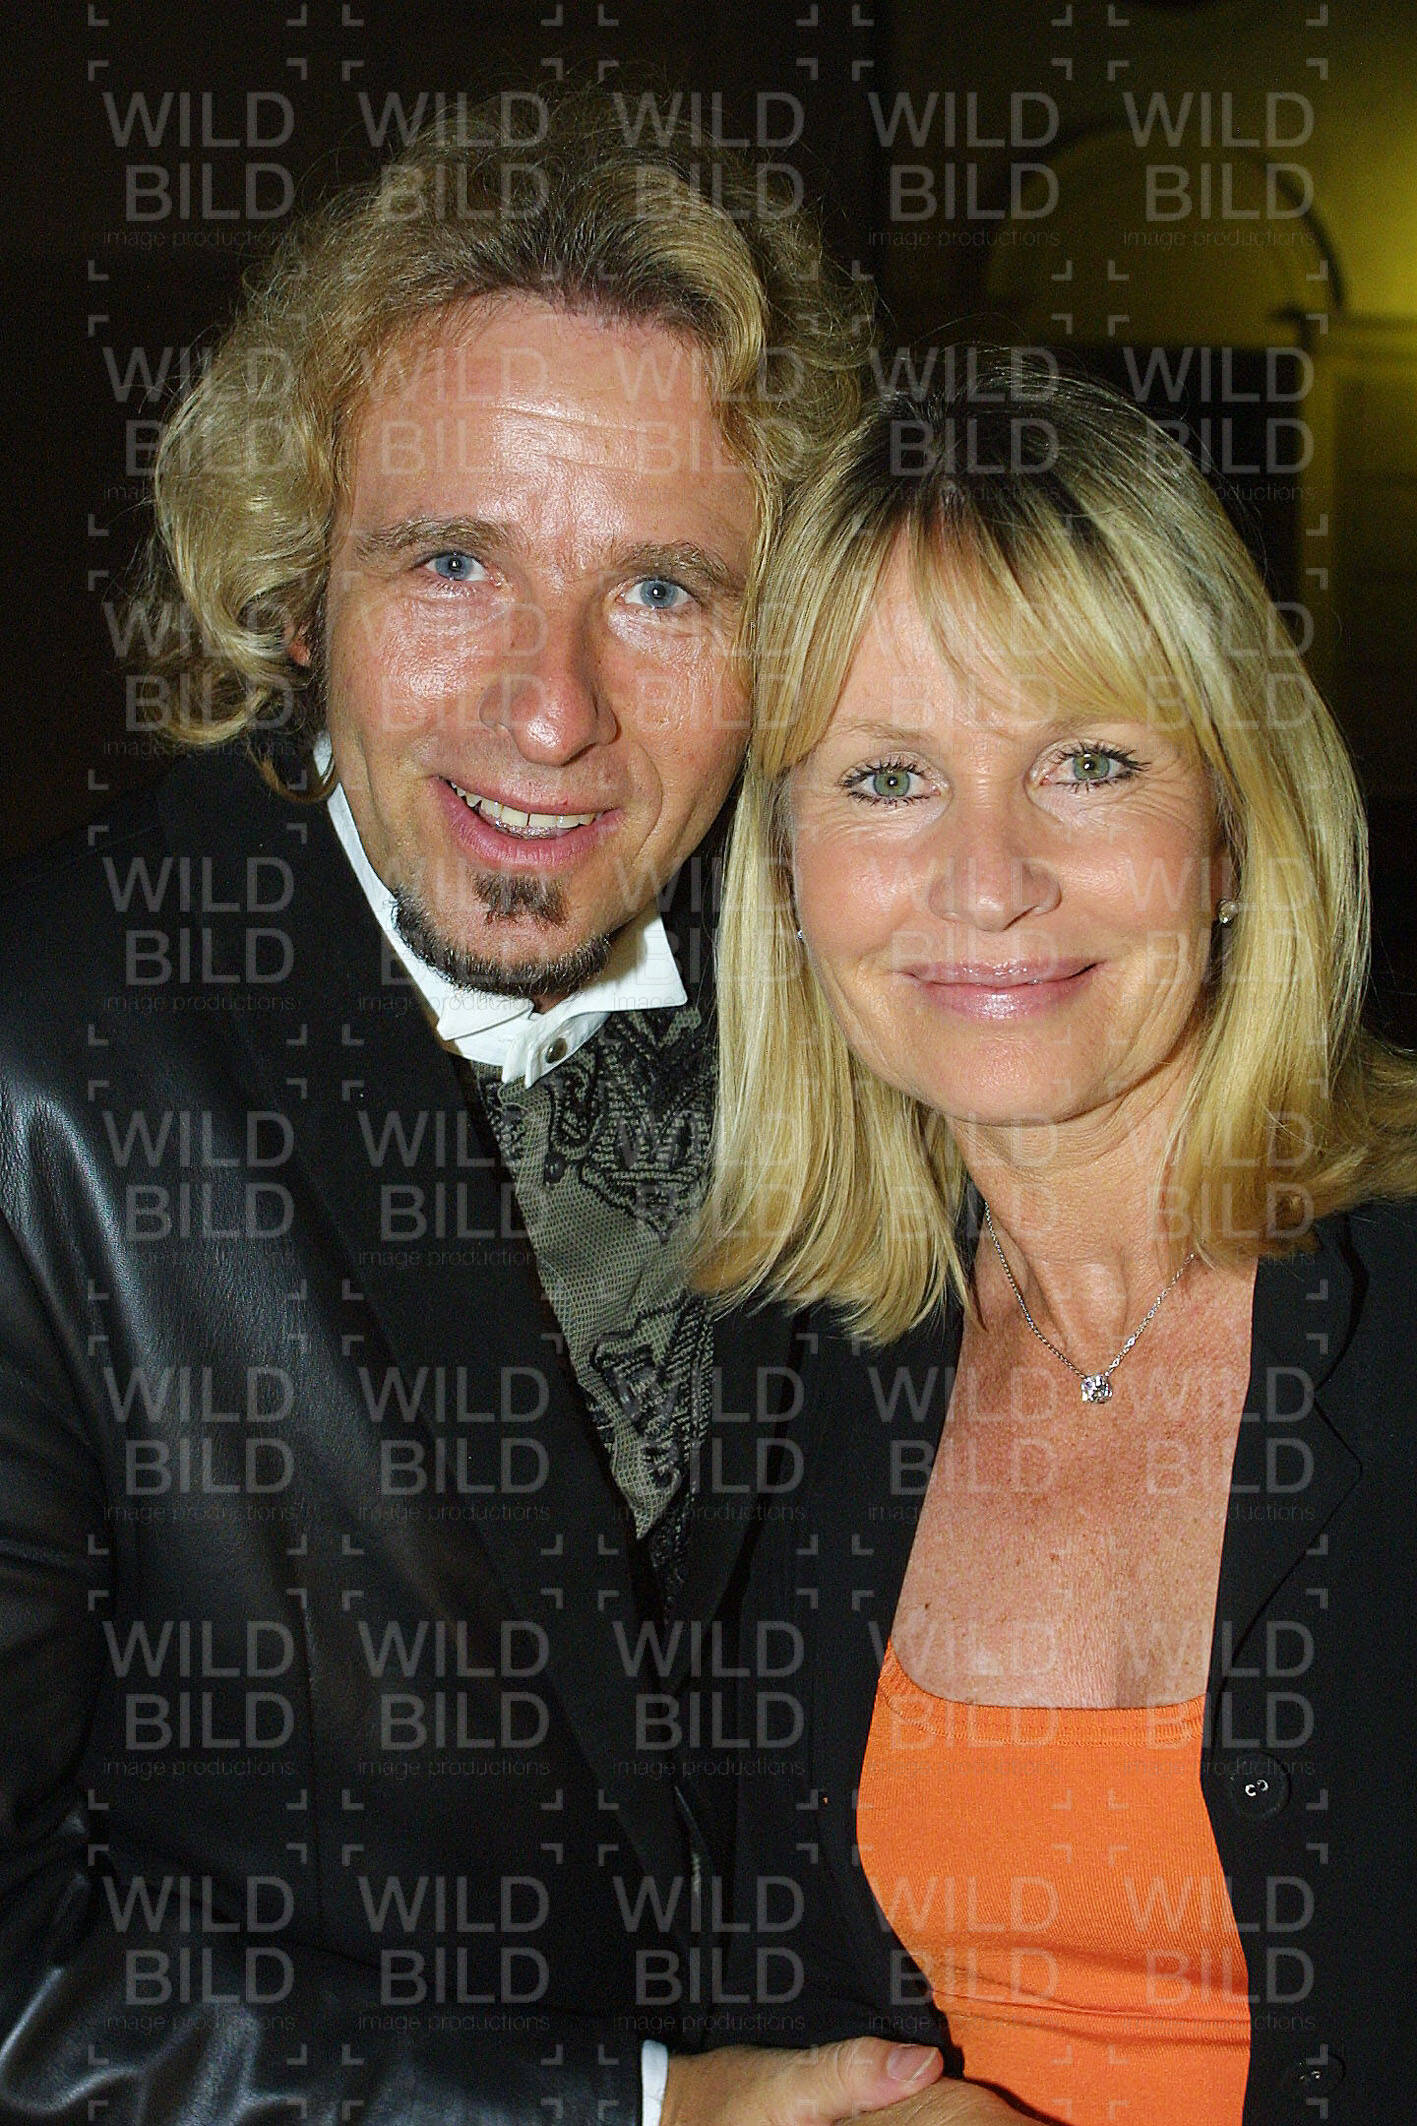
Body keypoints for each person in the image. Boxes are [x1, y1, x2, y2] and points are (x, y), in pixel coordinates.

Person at [0, 87, 959, 2126]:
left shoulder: (885, 990)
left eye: (664, 591)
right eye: (452, 561)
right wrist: (638, 2110)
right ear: (296, 591)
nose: (550, 709)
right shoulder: (42, 1067)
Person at [694, 351, 1417, 2124]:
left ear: (1232, 825)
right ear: (784, 870)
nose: (988, 876)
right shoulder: (767, 1382)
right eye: (886, 778)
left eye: (1087, 761)